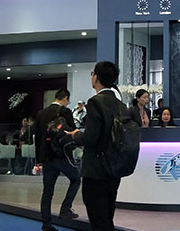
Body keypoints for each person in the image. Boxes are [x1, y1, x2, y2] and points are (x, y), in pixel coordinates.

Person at [69, 61, 128, 231]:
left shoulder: (95, 102)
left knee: (97, 218)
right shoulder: (120, 104)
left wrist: (76, 135)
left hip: (96, 170)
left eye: (92, 74)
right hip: (113, 168)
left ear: (96, 77)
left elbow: (91, 137)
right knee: (107, 216)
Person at [35, 88, 80, 231]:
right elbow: (72, 132)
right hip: (63, 156)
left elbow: (38, 138)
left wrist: (39, 159)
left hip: (47, 158)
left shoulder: (41, 114)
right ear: (65, 98)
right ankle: (65, 208)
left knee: (47, 192)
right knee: (76, 179)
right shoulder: (65, 112)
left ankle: (46, 224)